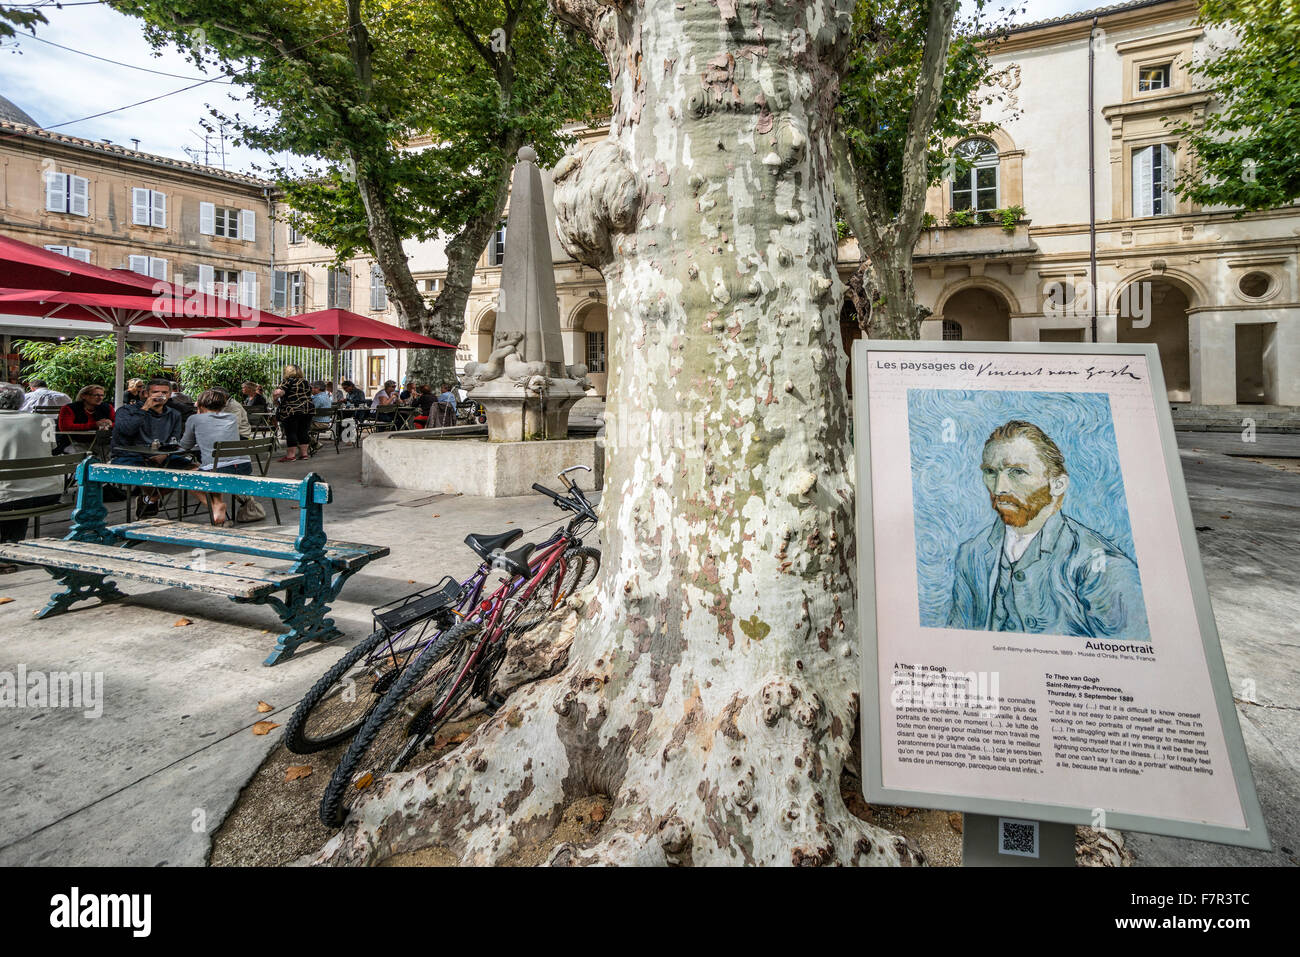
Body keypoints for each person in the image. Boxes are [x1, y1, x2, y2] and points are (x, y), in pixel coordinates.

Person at [946, 419, 1149, 640]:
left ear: (1058, 484)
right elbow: (958, 642)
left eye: (1017, 472)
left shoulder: (1100, 564)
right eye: (991, 472)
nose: (999, 488)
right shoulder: (971, 554)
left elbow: (1129, 659)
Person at [110, 378, 187, 517]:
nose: (160, 395)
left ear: (169, 395)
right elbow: (128, 430)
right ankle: (150, 499)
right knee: (148, 473)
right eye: (155, 392)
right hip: (128, 456)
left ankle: (150, 499)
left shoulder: (174, 414)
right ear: (146, 394)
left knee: (194, 471)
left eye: (164, 392)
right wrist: (145, 408)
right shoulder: (126, 411)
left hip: (161, 456)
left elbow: (174, 440)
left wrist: (165, 454)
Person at [0, 386, 63, 549]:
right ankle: (11, 545)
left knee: (10, 492)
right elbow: (53, 448)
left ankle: (8, 549)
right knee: (17, 490)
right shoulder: (43, 420)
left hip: (8, 498)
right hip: (47, 493)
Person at [179, 389, 251, 526]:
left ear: (200, 404)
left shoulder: (194, 419)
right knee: (214, 468)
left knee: (185, 477)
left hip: (218, 470)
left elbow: (185, 446)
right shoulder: (231, 417)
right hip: (244, 467)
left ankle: (215, 507)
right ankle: (218, 506)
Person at [56, 384, 114, 453]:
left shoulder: (107, 407)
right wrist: (94, 425)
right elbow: (65, 427)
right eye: (96, 395)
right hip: (73, 442)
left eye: (102, 395)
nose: (100, 398)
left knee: (114, 451)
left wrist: (110, 424)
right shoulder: (69, 408)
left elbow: (118, 423)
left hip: (100, 442)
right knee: (84, 456)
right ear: (84, 396)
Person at [272, 364, 313, 462]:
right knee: (303, 431)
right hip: (308, 410)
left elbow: (277, 393)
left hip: (291, 410)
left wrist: (275, 400)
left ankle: (291, 456)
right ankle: (304, 454)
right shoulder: (306, 382)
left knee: (291, 432)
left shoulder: (287, 381)